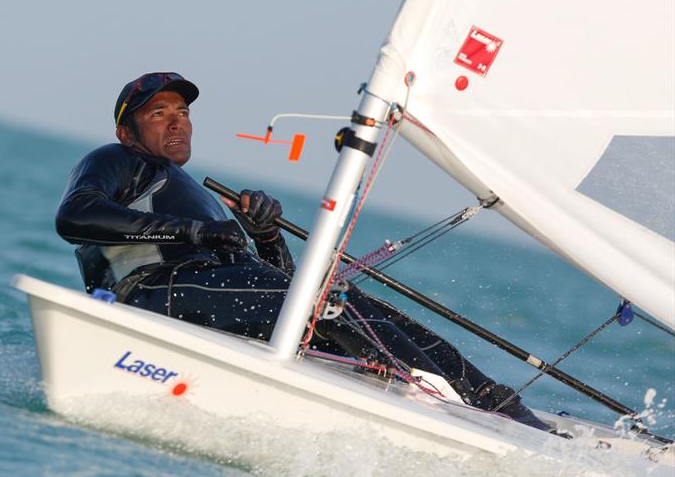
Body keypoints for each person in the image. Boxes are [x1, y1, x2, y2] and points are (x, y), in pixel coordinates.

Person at [55, 71, 554, 432]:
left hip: (205, 296)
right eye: (158, 113)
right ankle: (440, 404)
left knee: (363, 309)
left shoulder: (194, 191)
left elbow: (279, 290)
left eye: (182, 112)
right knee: (326, 303)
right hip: (153, 294)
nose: (177, 122)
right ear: (127, 130)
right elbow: (74, 216)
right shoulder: (119, 159)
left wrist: (265, 235)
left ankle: (508, 413)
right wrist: (197, 232)